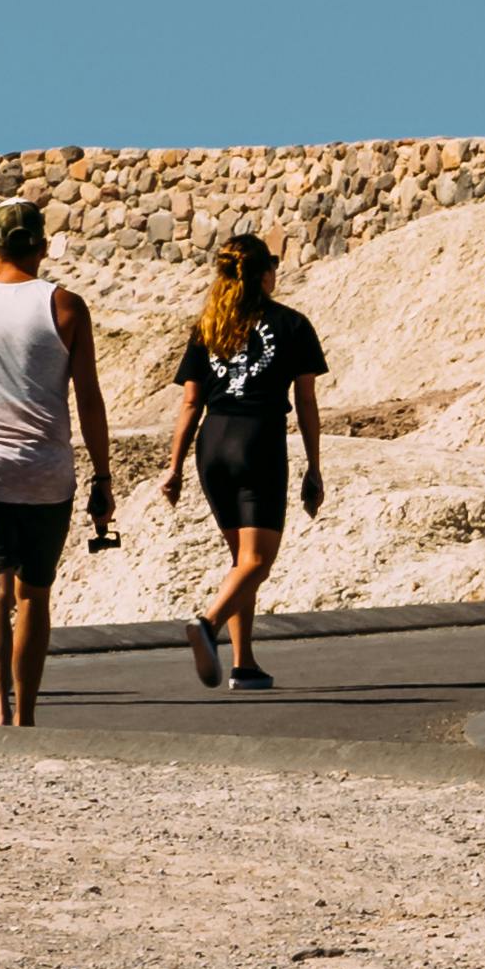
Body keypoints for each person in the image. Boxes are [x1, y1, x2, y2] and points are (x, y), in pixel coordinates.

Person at [0, 196, 117, 731]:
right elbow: (89, 400)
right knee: (34, 594)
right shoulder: (66, 306)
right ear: (42, 247)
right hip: (46, 470)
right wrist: (102, 476)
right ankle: (26, 715)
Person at [162, 228, 330, 688]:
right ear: (263, 274)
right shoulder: (292, 324)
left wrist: (174, 467)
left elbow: (190, 402)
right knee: (258, 561)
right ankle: (208, 624)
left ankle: (244, 664)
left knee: (241, 558)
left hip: (213, 443)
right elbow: (306, 400)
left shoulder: (209, 325)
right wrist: (314, 467)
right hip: (257, 441)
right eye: (272, 265)